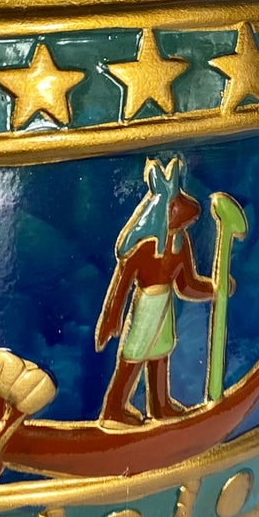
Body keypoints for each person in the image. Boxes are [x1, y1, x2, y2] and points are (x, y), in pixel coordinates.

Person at [95, 160, 216, 423]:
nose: (188, 212)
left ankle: (160, 405)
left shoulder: (180, 245)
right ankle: (114, 408)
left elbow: (186, 285)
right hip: (146, 305)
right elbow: (122, 284)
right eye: (177, 205)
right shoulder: (144, 249)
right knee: (134, 354)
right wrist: (112, 318)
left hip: (165, 304)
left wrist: (213, 289)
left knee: (160, 353)